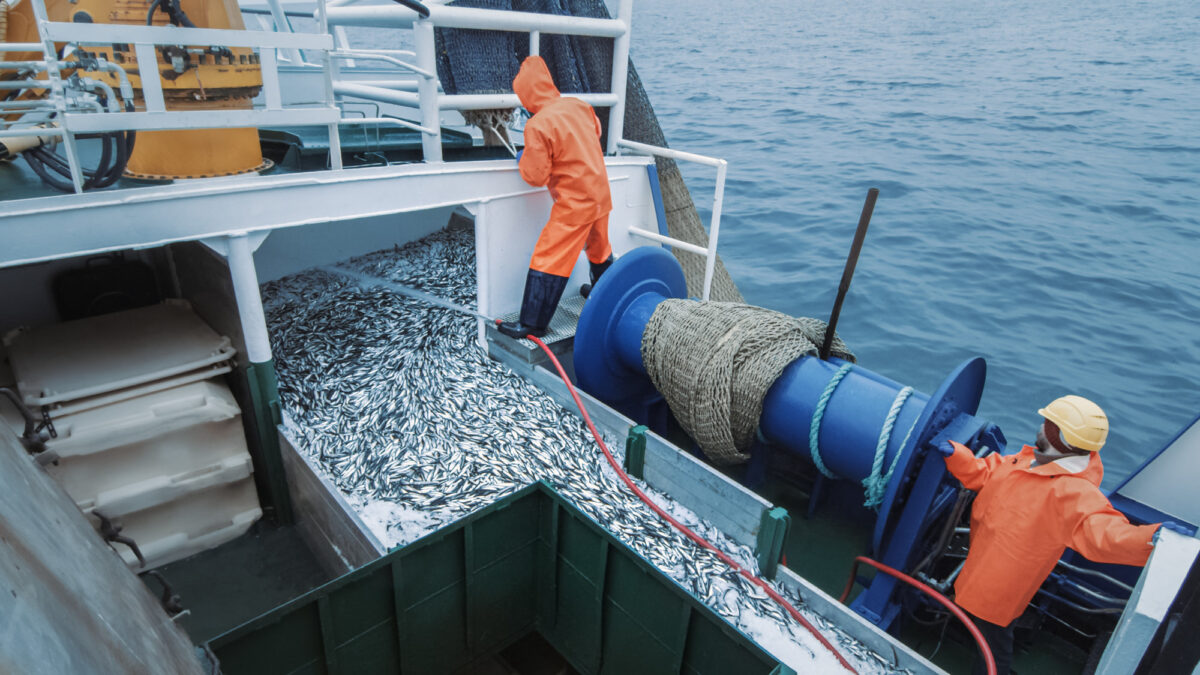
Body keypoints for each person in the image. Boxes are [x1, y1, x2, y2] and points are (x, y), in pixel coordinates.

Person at [936, 394, 1189, 675]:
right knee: (982, 630)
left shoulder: (1076, 496)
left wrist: (1150, 538)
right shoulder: (1026, 460)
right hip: (979, 563)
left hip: (1000, 589)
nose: (1041, 427)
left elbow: (1106, 534)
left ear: (1060, 437)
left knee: (992, 643)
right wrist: (957, 455)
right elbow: (984, 473)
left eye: (1048, 424)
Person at [497, 55, 615, 339]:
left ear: (526, 95)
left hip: (575, 204)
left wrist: (523, 157)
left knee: (549, 257)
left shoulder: (537, 125)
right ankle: (602, 296)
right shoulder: (579, 105)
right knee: (599, 249)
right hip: (600, 193)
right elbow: (595, 131)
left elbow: (536, 175)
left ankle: (533, 324)